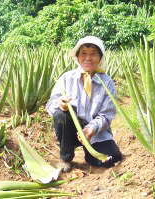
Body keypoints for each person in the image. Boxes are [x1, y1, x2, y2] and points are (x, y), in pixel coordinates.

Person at [46, 36, 122, 172]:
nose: (88, 58)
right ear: (77, 56)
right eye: (84, 53)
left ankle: (90, 153)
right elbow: (51, 103)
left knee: (112, 158)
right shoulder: (66, 78)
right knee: (60, 115)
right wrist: (60, 104)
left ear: (100, 57)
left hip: (95, 133)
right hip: (71, 130)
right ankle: (66, 157)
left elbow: (106, 114)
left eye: (93, 54)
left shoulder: (107, 82)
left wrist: (91, 129)